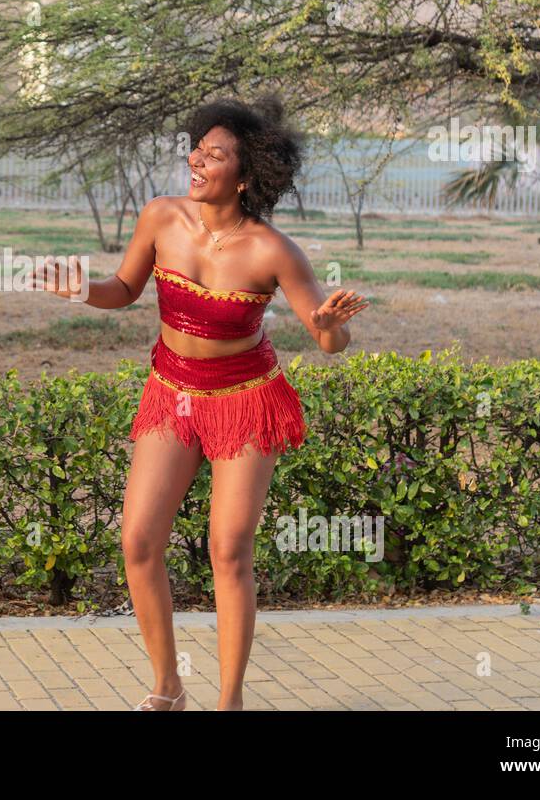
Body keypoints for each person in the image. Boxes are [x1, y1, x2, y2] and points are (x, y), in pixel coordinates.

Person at [36, 95, 368, 711]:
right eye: (197, 148)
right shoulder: (161, 217)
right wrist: (82, 288)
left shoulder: (274, 251)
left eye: (215, 155)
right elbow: (125, 289)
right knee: (137, 541)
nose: (197, 159)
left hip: (246, 399)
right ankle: (167, 688)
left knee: (228, 550)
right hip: (172, 391)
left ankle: (230, 702)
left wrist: (328, 323)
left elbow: (329, 342)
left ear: (245, 177)